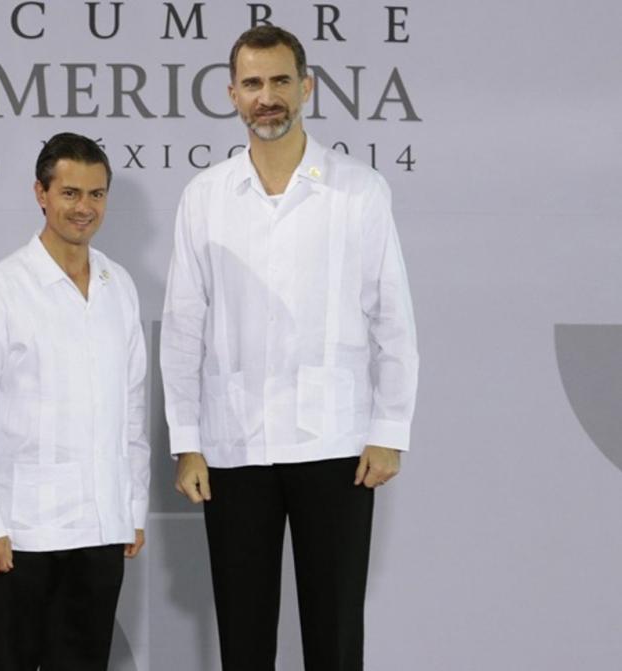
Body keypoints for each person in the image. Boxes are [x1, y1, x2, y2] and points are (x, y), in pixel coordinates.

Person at [160, 26, 419, 671]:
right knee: (242, 632)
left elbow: (393, 318)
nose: (266, 97)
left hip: (335, 442)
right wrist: (186, 440)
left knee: (334, 632)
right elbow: (182, 327)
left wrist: (389, 430)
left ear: (306, 87)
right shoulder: (205, 198)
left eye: (279, 81)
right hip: (232, 445)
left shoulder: (359, 191)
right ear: (232, 95)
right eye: (252, 84)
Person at [0, 132, 150, 671]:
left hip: (102, 527)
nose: (84, 208)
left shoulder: (119, 286)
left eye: (97, 194)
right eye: (70, 193)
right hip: (22, 530)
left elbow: (131, 407)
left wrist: (131, 506)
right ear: (41, 193)